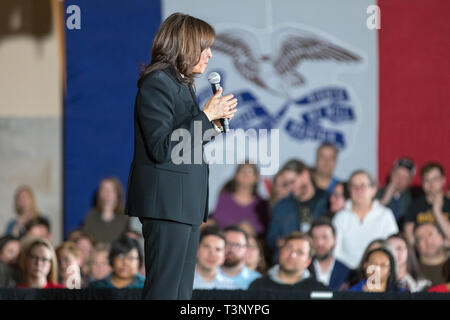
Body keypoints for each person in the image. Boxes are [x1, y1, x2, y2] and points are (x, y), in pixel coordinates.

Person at [124, 13, 237, 300]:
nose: (210, 54)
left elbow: (186, 145)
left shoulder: (182, 84)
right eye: (204, 46)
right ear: (185, 45)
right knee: (164, 292)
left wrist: (212, 122)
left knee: (180, 294)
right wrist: (205, 115)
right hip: (167, 204)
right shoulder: (157, 82)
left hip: (183, 204)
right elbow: (162, 147)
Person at [333, 170, 398, 269]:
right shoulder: (340, 217)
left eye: (363, 186)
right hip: (346, 274)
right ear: (349, 191)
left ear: (374, 189)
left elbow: (393, 248)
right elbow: (335, 252)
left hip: (378, 272)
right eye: (354, 186)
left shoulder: (385, 215)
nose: (358, 190)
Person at [267, 160, 328, 261]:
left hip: (318, 262)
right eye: (287, 184)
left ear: (305, 175)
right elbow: (271, 239)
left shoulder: (327, 201)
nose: (290, 187)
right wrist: (282, 242)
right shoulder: (282, 206)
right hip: (288, 261)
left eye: (293, 182)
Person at [248, 231, 328, 291]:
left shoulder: (318, 290)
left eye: (300, 252)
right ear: (280, 251)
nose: (292, 255)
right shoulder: (258, 286)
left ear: (308, 262)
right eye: (288, 248)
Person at [212, 163, 270, 238]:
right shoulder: (224, 198)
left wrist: (252, 230)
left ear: (256, 178)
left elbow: (264, 228)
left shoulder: (261, 204)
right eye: (242, 171)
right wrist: (238, 227)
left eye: (249, 171)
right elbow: (217, 220)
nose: (245, 175)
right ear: (236, 175)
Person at [404, 162, 450, 247]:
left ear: (443, 180)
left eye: (435, 179)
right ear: (422, 183)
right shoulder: (414, 206)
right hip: (422, 256)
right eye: (427, 180)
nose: (431, 183)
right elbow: (410, 239)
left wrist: (437, 211)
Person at [82, 177, 129, 244]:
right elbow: (87, 239)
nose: (107, 193)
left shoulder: (126, 217)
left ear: (118, 193)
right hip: (96, 253)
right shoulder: (91, 216)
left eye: (110, 190)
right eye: (103, 189)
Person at [308, 217, 351, 291]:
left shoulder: (347, 273)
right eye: (315, 238)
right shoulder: (303, 270)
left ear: (335, 240)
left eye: (325, 237)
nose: (319, 243)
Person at [376, 158, 415, 227]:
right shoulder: (375, 193)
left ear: (410, 181)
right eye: (397, 174)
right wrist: (385, 200)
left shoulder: (414, 198)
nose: (400, 179)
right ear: (391, 174)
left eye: (405, 177)